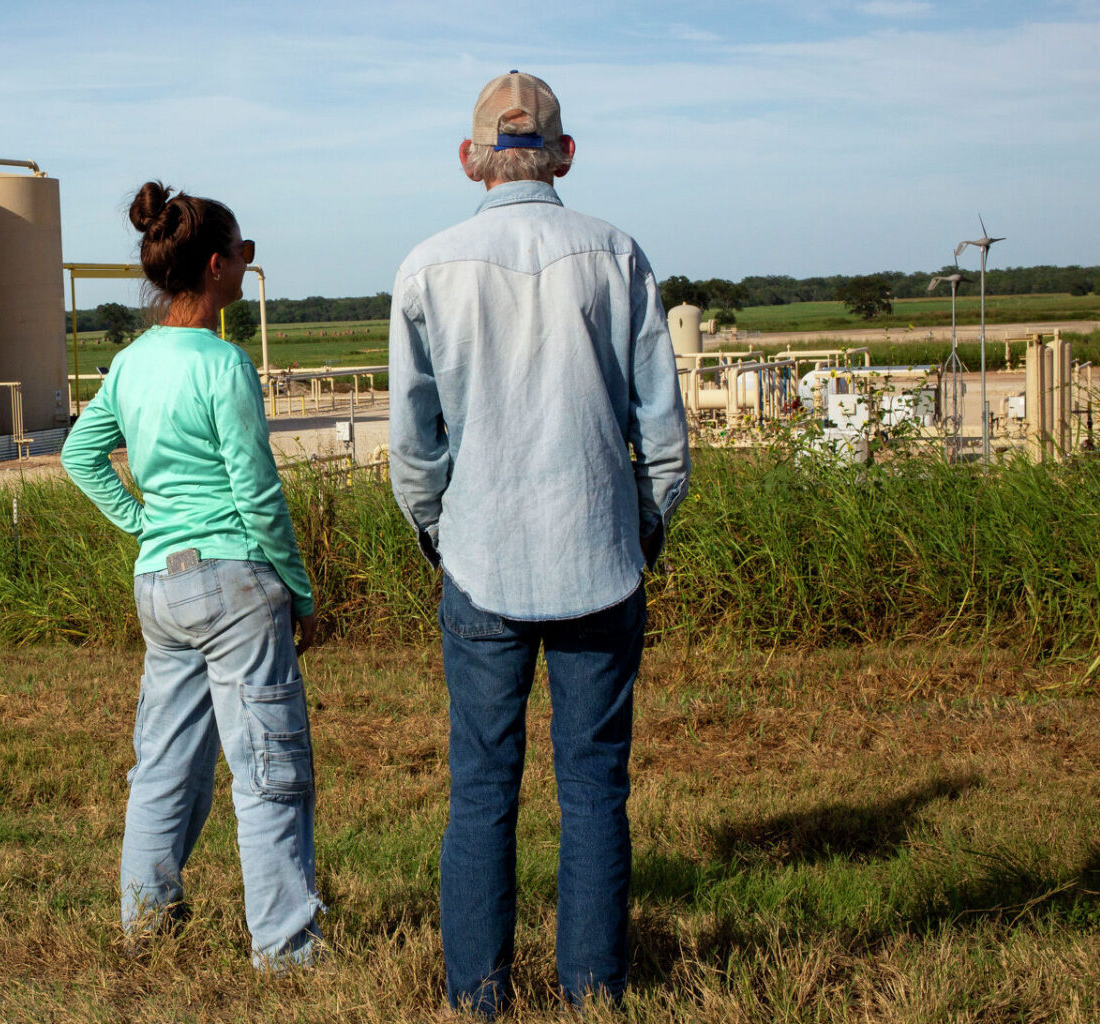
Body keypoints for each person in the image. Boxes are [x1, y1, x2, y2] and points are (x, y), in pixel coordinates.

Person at [387, 71, 691, 1014]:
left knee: (482, 790)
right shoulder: (618, 254)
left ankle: (478, 996)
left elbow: (413, 448)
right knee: (595, 787)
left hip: (481, 563)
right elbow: (663, 435)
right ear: (564, 155)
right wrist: (640, 530)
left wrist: (441, 535)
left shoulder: (427, 266)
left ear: (470, 158)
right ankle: (593, 994)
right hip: (600, 557)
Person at [60, 181, 323, 969]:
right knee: (269, 767)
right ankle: (284, 950)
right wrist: (301, 592)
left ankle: (145, 925)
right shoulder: (225, 363)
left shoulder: (129, 364)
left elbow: (80, 455)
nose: (246, 264)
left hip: (160, 588)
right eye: (242, 254)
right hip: (236, 584)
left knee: (164, 763)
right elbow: (257, 492)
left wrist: (146, 524)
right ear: (215, 266)